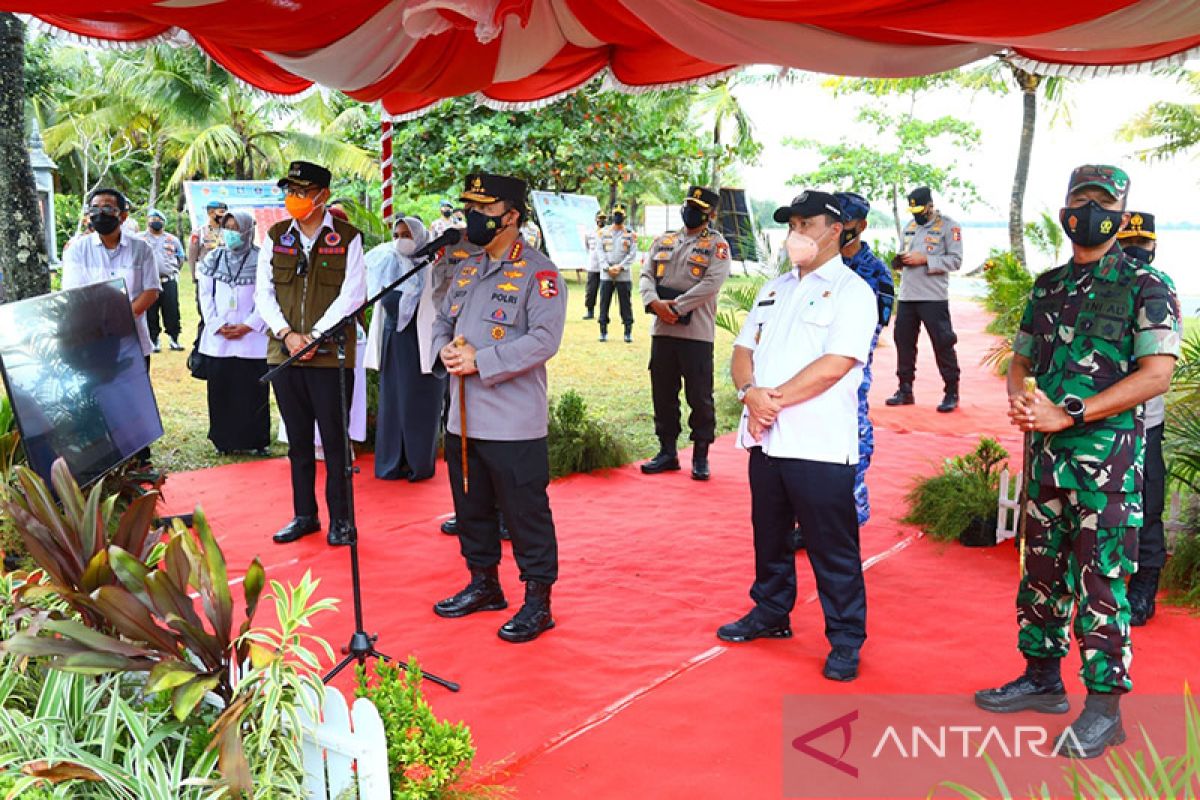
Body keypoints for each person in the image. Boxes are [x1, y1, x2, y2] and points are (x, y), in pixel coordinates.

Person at [975, 166, 1180, 759]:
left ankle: (1104, 710)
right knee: (1039, 573)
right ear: (1064, 207)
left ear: (1121, 211)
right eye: (1078, 199)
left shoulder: (1147, 285)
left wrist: (1073, 412)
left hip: (1106, 469)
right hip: (1045, 464)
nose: (1088, 209)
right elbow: (1021, 358)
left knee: (1102, 583)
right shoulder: (1048, 286)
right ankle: (1041, 679)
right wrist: (1022, 395)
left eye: (1102, 201)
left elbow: (1157, 373)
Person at [718, 190, 877, 682]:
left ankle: (846, 638)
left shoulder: (853, 292)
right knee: (769, 535)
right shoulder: (774, 288)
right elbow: (742, 350)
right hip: (767, 440)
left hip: (819, 445)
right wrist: (749, 392)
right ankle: (770, 611)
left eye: (806, 224)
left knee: (833, 547)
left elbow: (836, 365)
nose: (796, 233)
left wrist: (773, 399)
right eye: (791, 224)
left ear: (836, 229)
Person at [429, 172, 567, 644]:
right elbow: (442, 320)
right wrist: (445, 351)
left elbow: (544, 341)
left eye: (483, 211)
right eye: (470, 209)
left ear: (511, 216)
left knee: (526, 512)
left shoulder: (539, 272)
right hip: (463, 417)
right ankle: (484, 584)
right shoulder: (466, 266)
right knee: (471, 507)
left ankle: (538, 600)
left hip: (512, 422)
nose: (473, 218)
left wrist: (481, 360)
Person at [255, 161, 367, 547]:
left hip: (329, 354)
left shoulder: (349, 238)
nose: (294, 199)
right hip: (283, 352)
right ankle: (305, 515)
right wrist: (287, 335)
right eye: (290, 191)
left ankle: (342, 520)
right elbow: (263, 293)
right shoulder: (274, 235)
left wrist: (316, 336)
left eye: (302, 192)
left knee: (336, 443)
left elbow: (352, 295)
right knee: (299, 442)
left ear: (323, 196)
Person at [792, 191, 896, 553]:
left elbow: (867, 336)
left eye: (846, 225)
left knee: (852, 448)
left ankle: (847, 525)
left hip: (847, 375)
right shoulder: (812, 266)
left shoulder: (876, 274)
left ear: (859, 226)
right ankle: (807, 524)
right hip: (804, 370)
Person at [61, 188, 162, 464]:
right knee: (98, 399)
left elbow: (151, 290)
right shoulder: (78, 250)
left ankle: (140, 458)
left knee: (134, 398)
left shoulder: (141, 249)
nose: (100, 213)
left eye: (108, 207)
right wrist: (101, 326)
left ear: (123, 214)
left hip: (133, 339)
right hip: (91, 342)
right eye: (95, 208)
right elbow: (74, 295)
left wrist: (122, 320)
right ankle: (104, 459)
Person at [638, 185, 731, 480]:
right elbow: (646, 274)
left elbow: (711, 284)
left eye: (698, 209)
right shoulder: (664, 240)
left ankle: (701, 454)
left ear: (710, 214)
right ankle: (667, 451)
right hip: (662, 332)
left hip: (697, 335)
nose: (690, 212)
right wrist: (653, 302)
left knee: (699, 397)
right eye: (688, 206)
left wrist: (674, 307)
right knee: (663, 393)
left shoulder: (717, 246)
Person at [364, 216, 446, 481]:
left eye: (407, 235)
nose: (401, 240)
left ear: (420, 237)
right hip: (394, 340)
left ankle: (418, 463)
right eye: (397, 235)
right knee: (393, 402)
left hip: (421, 342)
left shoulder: (434, 266)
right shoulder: (387, 263)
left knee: (419, 402)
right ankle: (391, 462)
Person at [1117, 211, 1166, 626]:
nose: (1135, 250)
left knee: (1148, 503)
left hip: (1144, 421)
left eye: (1142, 243)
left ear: (1153, 246)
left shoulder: (1159, 290)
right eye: (1128, 242)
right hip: (1098, 423)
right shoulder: (1099, 286)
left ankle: (1145, 585)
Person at [196, 211, 271, 454]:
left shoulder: (262, 260)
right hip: (220, 338)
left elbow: (267, 297)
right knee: (221, 390)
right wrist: (216, 324)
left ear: (249, 231)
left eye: (236, 228)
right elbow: (205, 294)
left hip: (252, 338)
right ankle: (223, 441)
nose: (231, 233)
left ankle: (256, 441)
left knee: (253, 391)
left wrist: (249, 325)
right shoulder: (213, 258)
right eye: (227, 227)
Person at [885, 186, 963, 413]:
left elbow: (956, 261)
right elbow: (904, 253)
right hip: (908, 295)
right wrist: (899, 261)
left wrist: (925, 260)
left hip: (933, 297)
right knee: (904, 343)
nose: (916, 214)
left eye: (920, 209)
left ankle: (951, 391)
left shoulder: (949, 226)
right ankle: (905, 389)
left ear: (930, 205)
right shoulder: (909, 227)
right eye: (913, 210)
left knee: (943, 343)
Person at [140, 209, 186, 353]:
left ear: (164, 222)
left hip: (168, 280)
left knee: (172, 310)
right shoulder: (139, 239)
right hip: (148, 282)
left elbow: (180, 258)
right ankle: (153, 340)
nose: (155, 221)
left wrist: (171, 270)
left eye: (159, 219)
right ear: (147, 221)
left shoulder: (172, 240)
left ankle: (174, 339)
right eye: (152, 219)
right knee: (150, 312)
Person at [597, 203, 637, 343]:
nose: (617, 217)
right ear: (611, 216)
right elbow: (600, 251)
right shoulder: (603, 233)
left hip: (623, 275)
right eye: (615, 214)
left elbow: (632, 254)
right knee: (604, 303)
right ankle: (603, 330)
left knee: (625, 304)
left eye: (620, 215)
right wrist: (607, 268)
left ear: (624, 217)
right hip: (606, 274)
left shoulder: (630, 235)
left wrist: (619, 267)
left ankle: (627, 331)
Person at [189, 199, 228, 280]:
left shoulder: (227, 232)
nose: (224, 215)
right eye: (221, 212)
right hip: (205, 275)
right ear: (211, 213)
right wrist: (194, 276)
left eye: (225, 212)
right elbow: (192, 256)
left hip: (224, 275)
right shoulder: (200, 232)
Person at [582, 209, 607, 320]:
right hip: (593, 265)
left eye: (603, 219)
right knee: (591, 290)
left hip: (605, 266)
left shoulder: (609, 232)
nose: (601, 221)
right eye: (599, 219)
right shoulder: (589, 232)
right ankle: (590, 311)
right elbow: (587, 246)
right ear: (595, 220)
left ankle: (603, 312)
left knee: (604, 291)